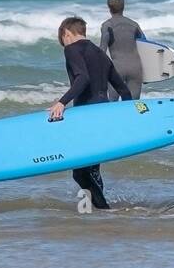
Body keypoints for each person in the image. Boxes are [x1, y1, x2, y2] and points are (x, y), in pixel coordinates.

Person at [48, 16, 133, 210]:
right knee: (92, 170)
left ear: (66, 33)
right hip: (102, 115)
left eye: (62, 39)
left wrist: (62, 102)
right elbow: (123, 90)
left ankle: (104, 210)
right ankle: (100, 213)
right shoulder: (100, 53)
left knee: (80, 173)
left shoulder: (71, 49)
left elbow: (83, 78)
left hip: (86, 116)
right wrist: (131, 118)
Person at [99, 0, 144, 100]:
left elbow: (102, 51)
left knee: (113, 104)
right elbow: (145, 44)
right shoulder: (134, 24)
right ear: (123, 7)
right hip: (136, 68)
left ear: (109, 8)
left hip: (117, 68)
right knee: (134, 104)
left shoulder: (107, 25)